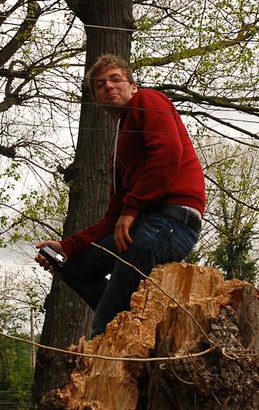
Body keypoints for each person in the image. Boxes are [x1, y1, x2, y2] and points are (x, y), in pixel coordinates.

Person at [35, 54, 206, 338]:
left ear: (133, 85)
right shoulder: (119, 149)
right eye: (100, 85)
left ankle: (116, 326)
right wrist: (67, 247)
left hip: (170, 222)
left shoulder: (148, 100)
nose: (109, 87)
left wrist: (132, 208)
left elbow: (167, 153)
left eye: (115, 79)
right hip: (145, 224)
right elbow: (114, 218)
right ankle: (134, 321)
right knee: (74, 270)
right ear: (96, 99)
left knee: (101, 329)